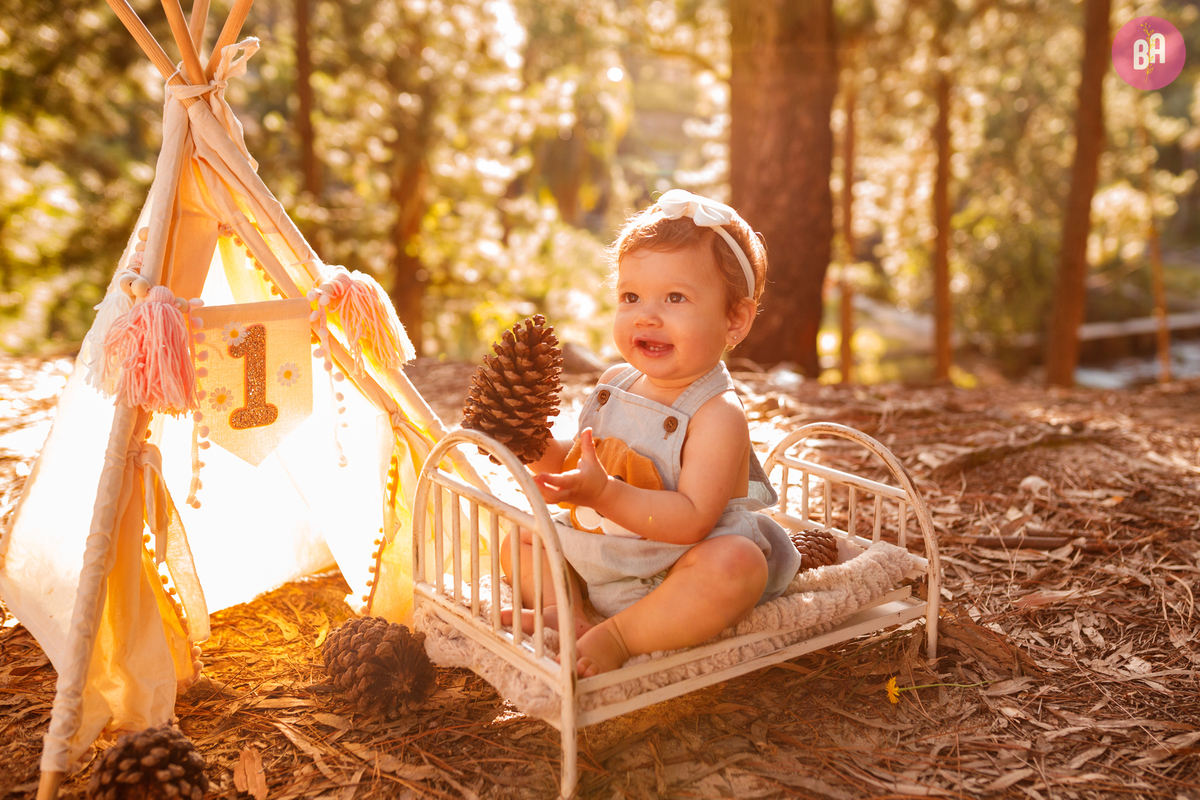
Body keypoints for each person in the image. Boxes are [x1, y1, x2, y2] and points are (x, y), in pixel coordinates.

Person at [501, 189, 801, 676]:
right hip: (601, 553)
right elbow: (578, 467)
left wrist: (605, 494)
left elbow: (690, 520)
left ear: (735, 319)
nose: (646, 314)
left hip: (673, 571)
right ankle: (572, 612)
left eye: (676, 297)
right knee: (518, 534)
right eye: (631, 296)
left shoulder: (717, 414)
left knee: (738, 566)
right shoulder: (611, 385)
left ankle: (622, 634)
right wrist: (532, 445)